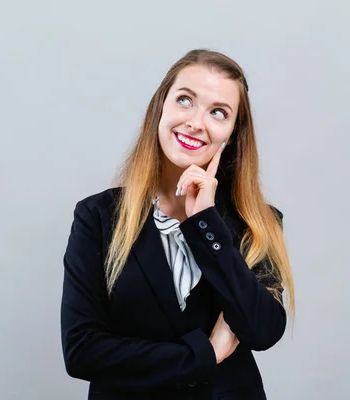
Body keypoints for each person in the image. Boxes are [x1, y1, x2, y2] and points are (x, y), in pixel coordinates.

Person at [60, 49, 295, 400]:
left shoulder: (257, 222)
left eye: (218, 112)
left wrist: (205, 222)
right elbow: (82, 351)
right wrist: (205, 354)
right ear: (161, 108)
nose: (196, 123)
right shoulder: (98, 216)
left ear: (231, 133)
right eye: (185, 100)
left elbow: (263, 330)